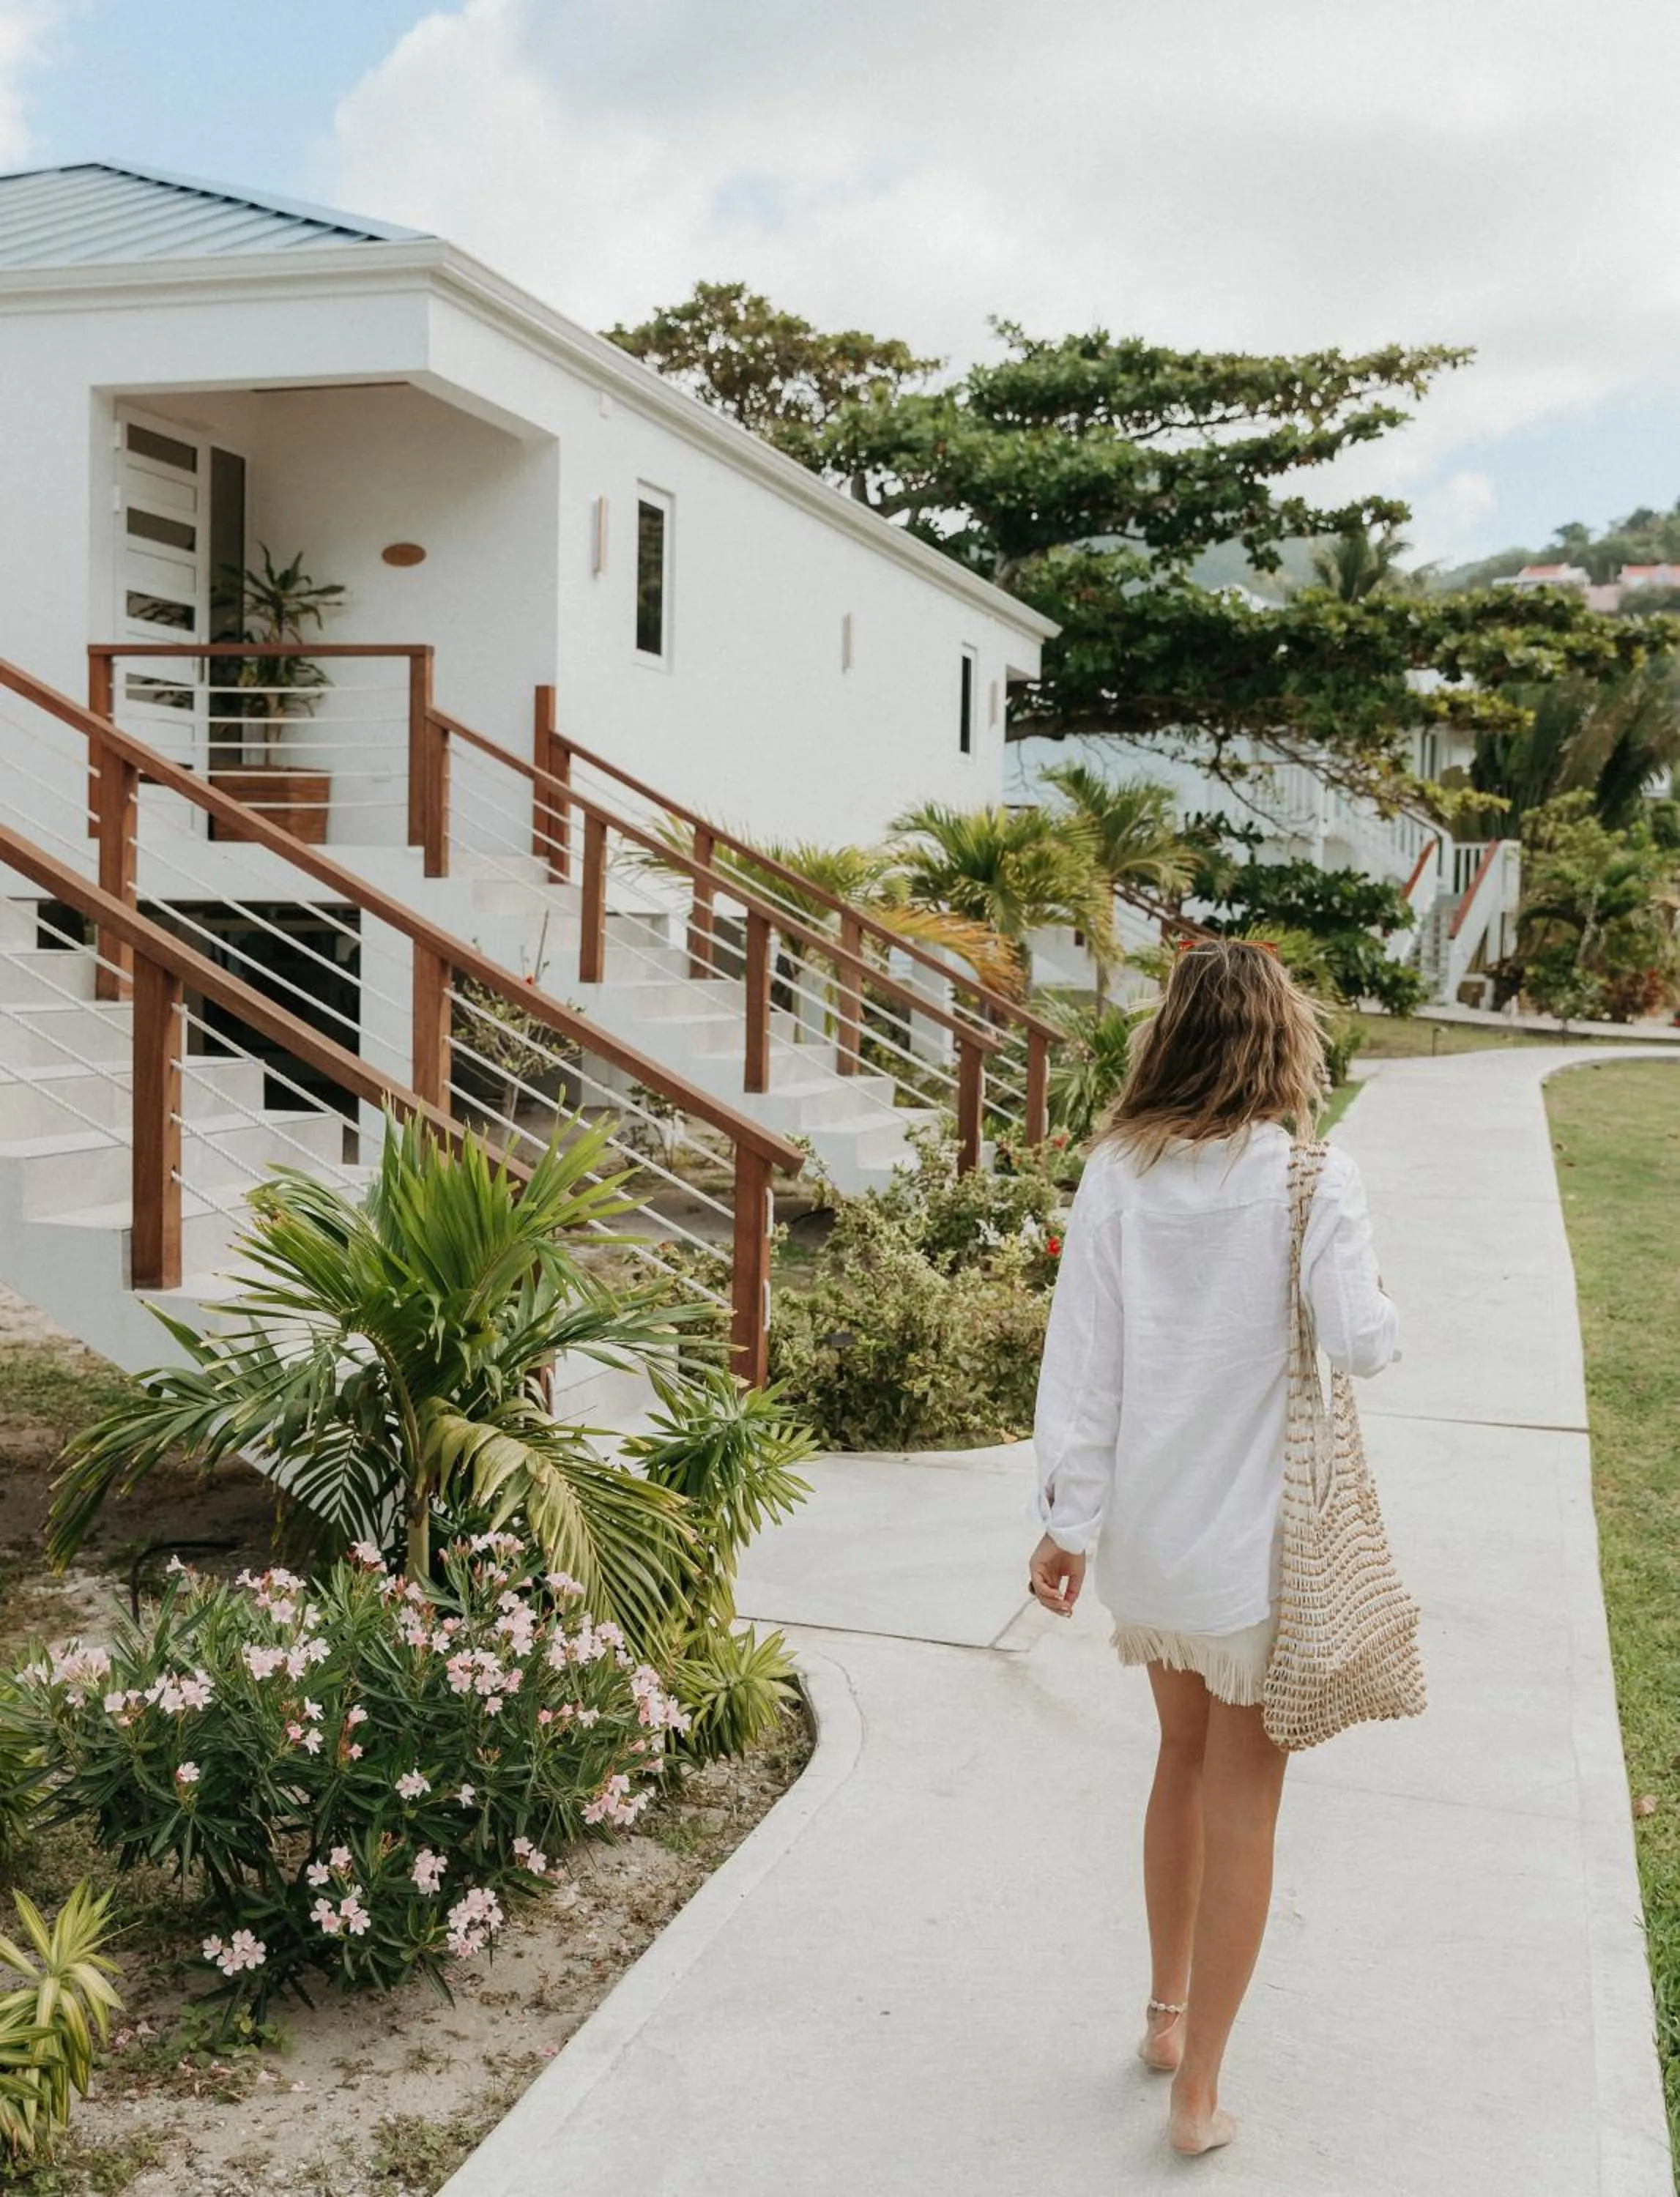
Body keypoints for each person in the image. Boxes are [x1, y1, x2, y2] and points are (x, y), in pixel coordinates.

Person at [1026, 939, 1399, 2158]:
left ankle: (1161, 2021)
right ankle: (1198, 2101)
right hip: (1256, 1551)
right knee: (1246, 1801)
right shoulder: (1311, 1180)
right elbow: (1363, 1343)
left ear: (1170, 1039)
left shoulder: (1117, 1174)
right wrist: (1374, 1285)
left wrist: (1064, 1522)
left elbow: (1080, 1366)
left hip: (1151, 1537)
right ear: (1281, 1042)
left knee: (1176, 1763)